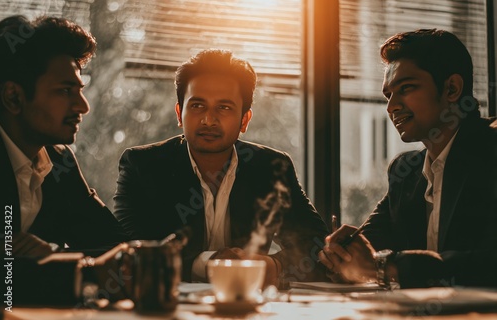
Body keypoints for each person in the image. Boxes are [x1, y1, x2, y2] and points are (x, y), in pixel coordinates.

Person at [114, 49, 329, 287]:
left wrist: (272, 266)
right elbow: (128, 250)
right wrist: (210, 264)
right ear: (179, 113)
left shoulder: (270, 168)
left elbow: (316, 244)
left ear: (244, 120)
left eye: (224, 108)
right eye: (197, 106)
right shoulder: (143, 166)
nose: (208, 120)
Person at [318, 29, 497, 289]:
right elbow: (369, 244)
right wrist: (342, 257)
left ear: (452, 88)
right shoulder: (406, 171)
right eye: (388, 95)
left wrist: (387, 267)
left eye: (406, 88)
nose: (392, 107)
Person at [0, 15, 128, 305]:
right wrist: (85, 271)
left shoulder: (58, 160)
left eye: (80, 90)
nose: (83, 105)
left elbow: (115, 246)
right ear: (13, 97)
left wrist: (54, 255)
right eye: (65, 91)